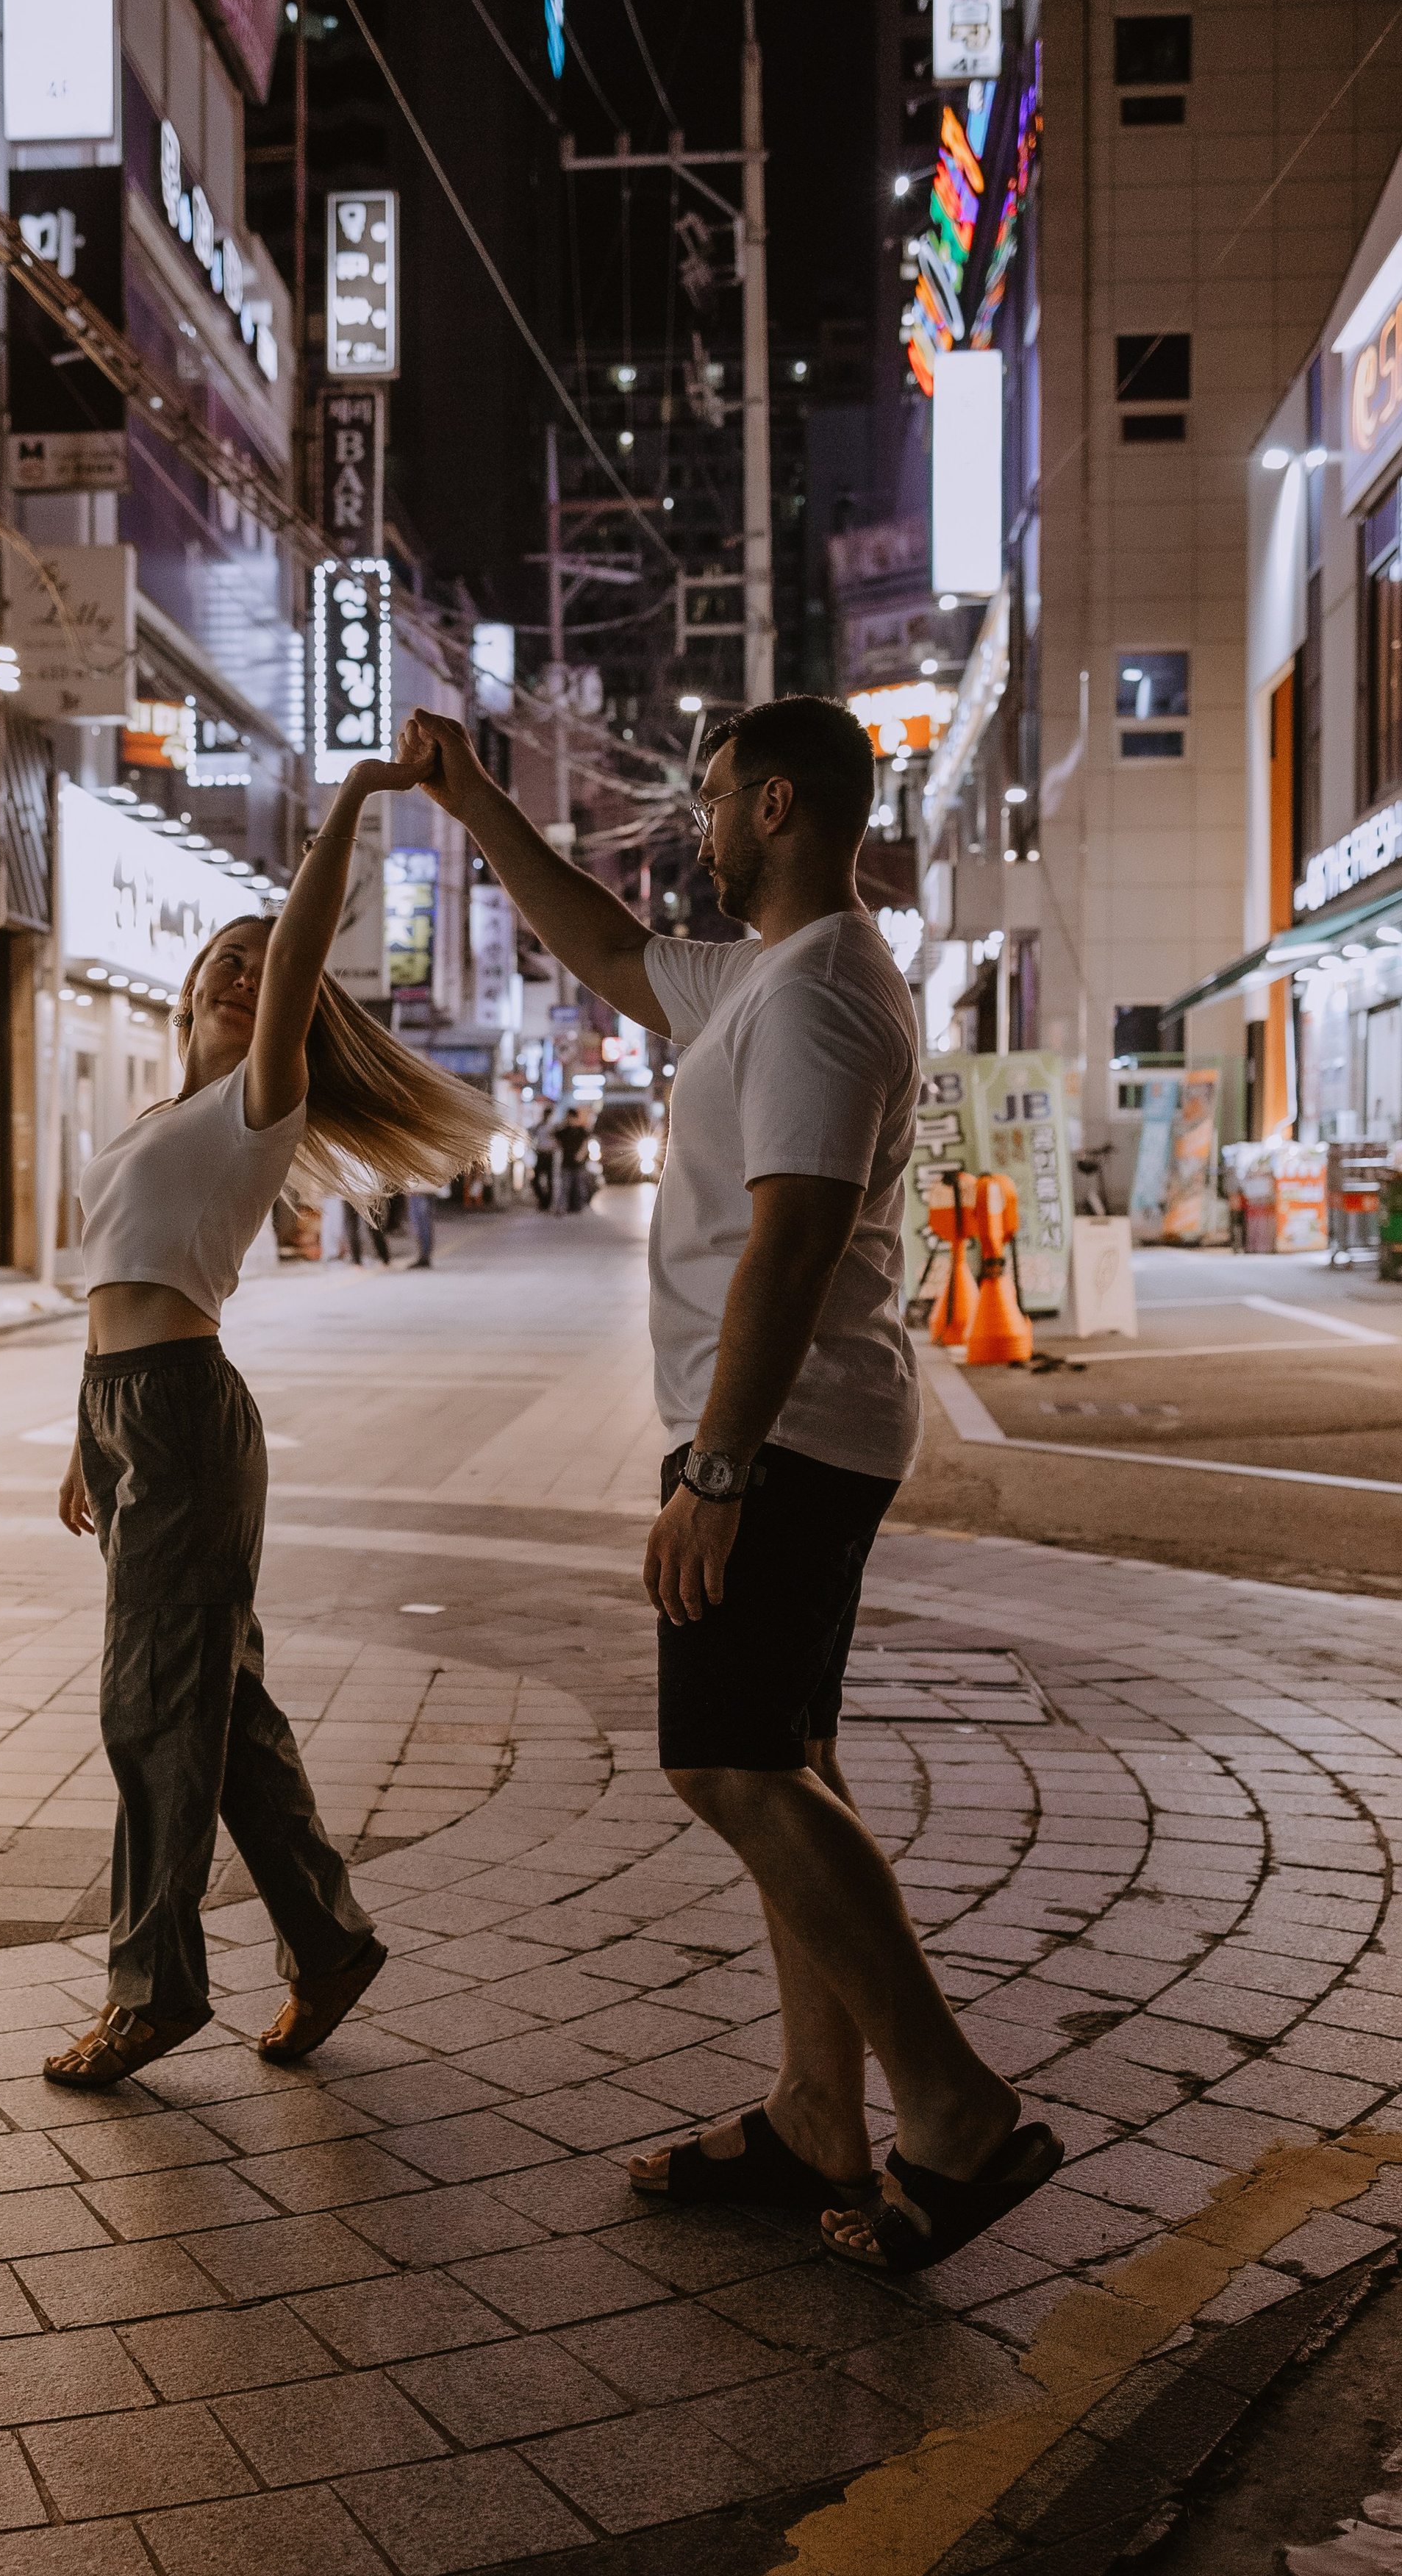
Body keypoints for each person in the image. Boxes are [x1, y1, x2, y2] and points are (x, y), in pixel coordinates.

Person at [398, 699, 1063, 2276]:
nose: (691, 828)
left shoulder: (824, 990)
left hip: (781, 1439)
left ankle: (957, 2112)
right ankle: (812, 2118)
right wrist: (477, 800)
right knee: (782, 1758)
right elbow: (612, 956)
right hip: (785, 1435)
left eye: (706, 800)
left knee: (726, 1769)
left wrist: (714, 1469)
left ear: (771, 805)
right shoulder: (765, 979)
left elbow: (794, 1237)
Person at [46, 749, 496, 2091]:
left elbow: (299, 948)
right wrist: (85, 1435)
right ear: (187, 987)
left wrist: (354, 801)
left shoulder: (262, 1100)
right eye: (224, 959)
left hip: (185, 1411)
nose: (243, 971)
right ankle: (328, 1939)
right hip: (130, 1415)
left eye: (263, 959)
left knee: (150, 1708)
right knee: (216, 1709)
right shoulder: (156, 1118)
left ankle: (154, 1991)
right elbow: (110, 1280)